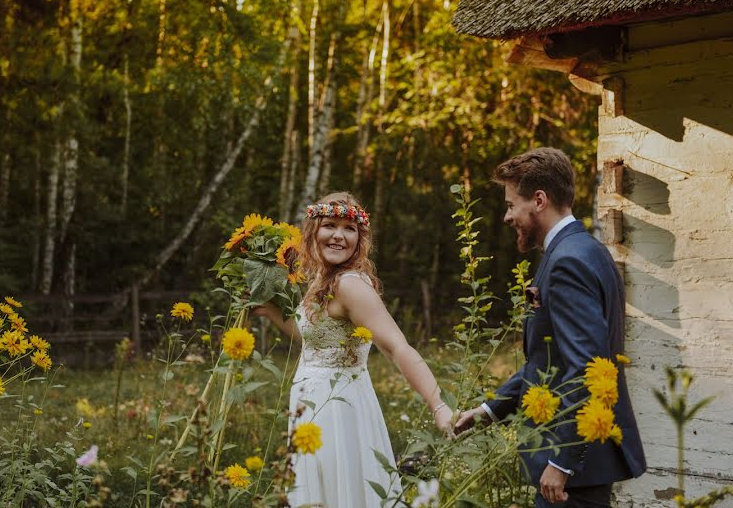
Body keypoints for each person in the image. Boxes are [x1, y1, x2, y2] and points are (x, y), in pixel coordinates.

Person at [454, 148, 646, 507]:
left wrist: (562, 462)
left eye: (512, 205)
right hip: (577, 466)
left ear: (539, 200)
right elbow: (550, 358)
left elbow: (587, 368)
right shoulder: (584, 249)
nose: (507, 216)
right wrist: (491, 409)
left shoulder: (567, 262)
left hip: (570, 468)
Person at [252, 191, 453, 507]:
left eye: (349, 228)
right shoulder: (323, 278)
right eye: (330, 225)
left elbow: (396, 346)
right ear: (314, 230)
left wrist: (437, 404)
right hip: (311, 404)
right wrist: (272, 312)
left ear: (360, 238)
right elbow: (318, 339)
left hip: (338, 410)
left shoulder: (349, 285)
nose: (338, 235)